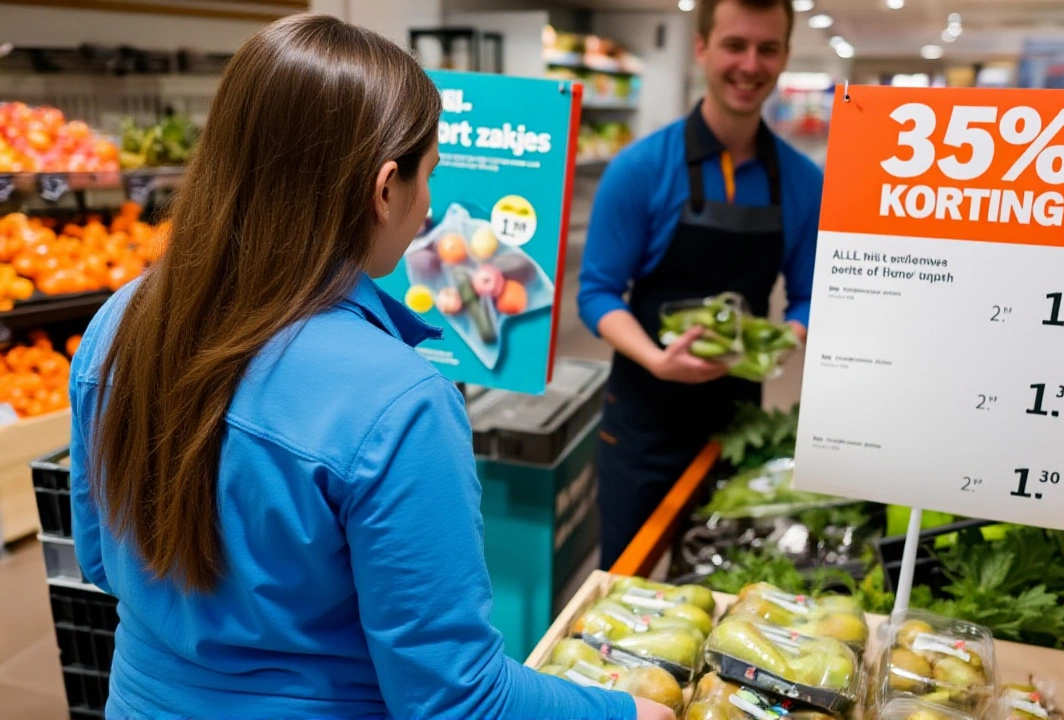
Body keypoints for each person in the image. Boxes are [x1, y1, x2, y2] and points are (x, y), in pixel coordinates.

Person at [69, 14, 673, 720]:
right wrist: (628, 713)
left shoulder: (120, 321)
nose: (427, 209)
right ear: (385, 188)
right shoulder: (398, 402)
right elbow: (458, 701)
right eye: (429, 179)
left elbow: (101, 562)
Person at [578, 0, 822, 569]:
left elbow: (809, 295)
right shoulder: (639, 169)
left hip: (738, 426)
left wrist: (783, 338)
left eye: (767, 48)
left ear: (785, 55)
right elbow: (597, 292)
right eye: (735, 45)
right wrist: (657, 359)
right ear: (702, 48)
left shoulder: (803, 182)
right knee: (625, 581)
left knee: (713, 583)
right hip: (642, 420)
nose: (750, 64)